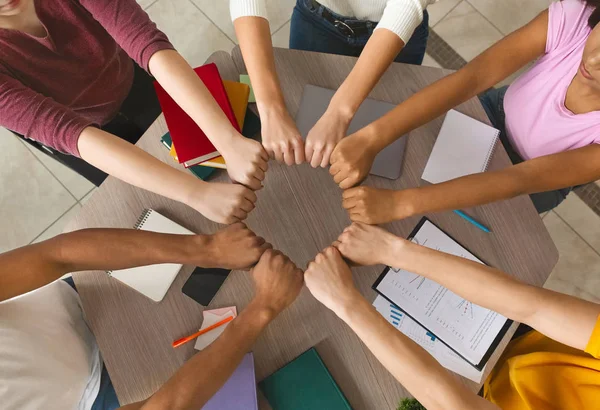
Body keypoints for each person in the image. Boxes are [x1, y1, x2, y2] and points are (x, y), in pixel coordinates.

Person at [330, 0, 600, 223]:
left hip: (535, 184)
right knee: (411, 168)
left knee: (461, 226)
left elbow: (520, 179)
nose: (593, 60)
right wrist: (370, 138)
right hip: (493, 114)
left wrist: (398, 203)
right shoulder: (575, 19)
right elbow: (471, 78)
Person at [0, 0, 268, 224]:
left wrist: (229, 141)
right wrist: (196, 194)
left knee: (194, 147)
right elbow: (66, 132)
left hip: (130, 78)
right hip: (83, 135)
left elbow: (145, 40)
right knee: (153, 201)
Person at [0, 223, 304, 410]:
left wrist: (208, 248)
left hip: (85, 300)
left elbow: (56, 255)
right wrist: (264, 308)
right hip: (98, 401)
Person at [304, 222, 600, 409]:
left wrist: (346, 302)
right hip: (522, 344)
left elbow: (454, 405)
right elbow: (535, 306)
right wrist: (393, 250)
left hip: (483, 393)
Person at [230, 0, 434, 168]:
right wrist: (271, 109)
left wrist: (339, 112)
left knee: (395, 123)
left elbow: (407, 5)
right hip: (317, 19)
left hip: (400, 25)